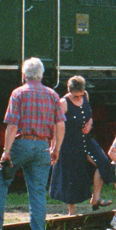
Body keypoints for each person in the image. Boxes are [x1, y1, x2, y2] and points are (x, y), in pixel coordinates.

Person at [0, 57, 64, 230]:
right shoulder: (52, 95)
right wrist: (56, 148)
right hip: (43, 146)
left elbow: (12, 125)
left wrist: (6, 151)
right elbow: (60, 125)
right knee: (37, 193)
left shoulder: (18, 93)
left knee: (1, 179)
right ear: (41, 75)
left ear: (24, 75)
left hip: (21, 143)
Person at [49, 76, 94, 216]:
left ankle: (95, 198)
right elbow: (56, 125)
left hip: (83, 141)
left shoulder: (85, 96)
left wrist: (89, 123)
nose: (78, 97)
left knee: (88, 168)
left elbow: (89, 114)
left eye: (79, 95)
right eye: (75, 95)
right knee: (69, 175)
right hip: (68, 142)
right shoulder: (63, 102)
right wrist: (54, 145)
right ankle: (71, 210)